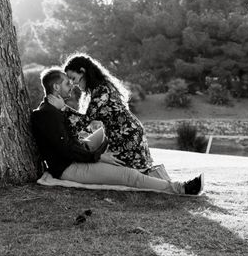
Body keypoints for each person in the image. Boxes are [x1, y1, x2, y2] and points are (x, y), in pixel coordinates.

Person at [30, 67, 203, 195]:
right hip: (68, 168)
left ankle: (172, 184)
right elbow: (67, 149)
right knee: (129, 176)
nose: (72, 86)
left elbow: (71, 141)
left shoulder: (55, 110)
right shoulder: (45, 115)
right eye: (67, 83)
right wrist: (98, 156)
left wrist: (96, 146)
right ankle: (182, 188)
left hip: (77, 160)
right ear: (56, 88)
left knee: (128, 169)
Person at [62, 53, 154, 172]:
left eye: (73, 78)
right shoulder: (101, 87)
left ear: (82, 71)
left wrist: (63, 108)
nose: (73, 84)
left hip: (127, 135)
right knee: (131, 171)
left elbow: (84, 122)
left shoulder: (101, 92)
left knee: (128, 172)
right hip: (129, 131)